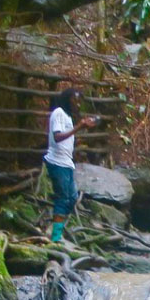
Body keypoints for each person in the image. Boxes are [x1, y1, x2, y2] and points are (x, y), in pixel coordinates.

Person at [44, 88, 98, 242]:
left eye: (79, 101)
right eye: (75, 100)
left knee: (72, 198)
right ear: (67, 99)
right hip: (57, 161)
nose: (78, 104)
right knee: (62, 199)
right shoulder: (59, 113)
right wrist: (79, 127)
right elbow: (58, 136)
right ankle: (56, 237)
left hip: (66, 164)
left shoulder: (67, 116)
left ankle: (56, 228)